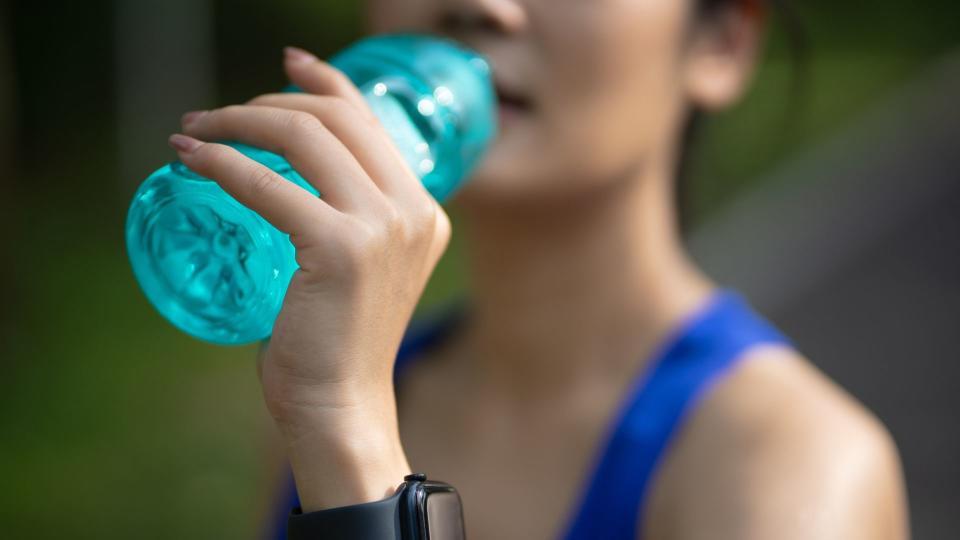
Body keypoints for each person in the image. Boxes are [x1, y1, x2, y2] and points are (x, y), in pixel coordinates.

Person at [167, 0, 909, 538]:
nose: (478, 8)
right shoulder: (337, 386)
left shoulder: (792, 472)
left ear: (722, 43)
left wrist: (352, 460)